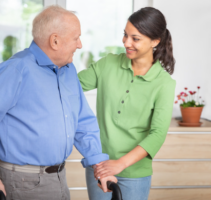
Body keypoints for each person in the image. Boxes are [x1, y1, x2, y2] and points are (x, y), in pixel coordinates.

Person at [0, 5, 117, 200]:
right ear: (55, 40)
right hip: (22, 181)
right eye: (76, 37)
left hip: (59, 177)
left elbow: (82, 122)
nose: (80, 45)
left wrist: (99, 166)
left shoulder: (68, 71)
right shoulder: (16, 69)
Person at [78, 7, 176, 200]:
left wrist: (120, 163)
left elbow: (157, 134)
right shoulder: (108, 64)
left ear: (155, 42)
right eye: (125, 35)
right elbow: (70, 86)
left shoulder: (164, 83)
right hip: (100, 165)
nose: (126, 42)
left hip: (135, 174)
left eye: (135, 38)